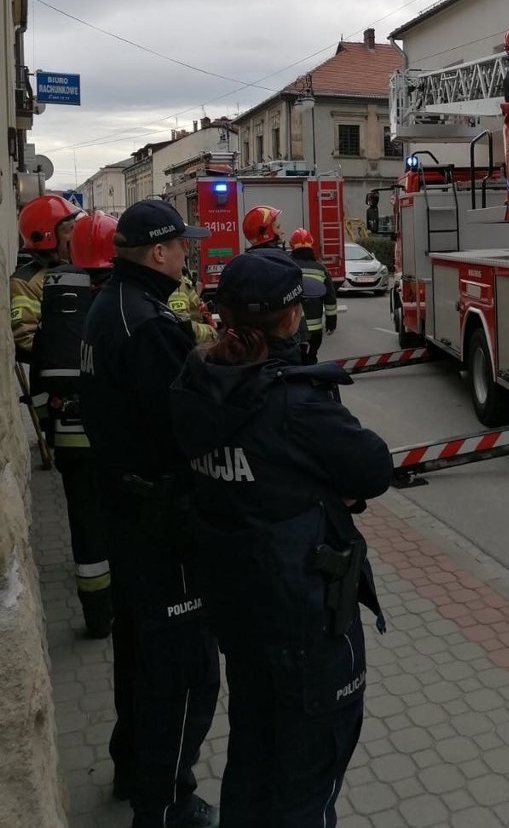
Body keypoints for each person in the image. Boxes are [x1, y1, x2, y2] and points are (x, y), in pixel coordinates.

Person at [169, 248, 392, 827]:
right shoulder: (293, 400)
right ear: (291, 319)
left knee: (252, 759)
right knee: (305, 788)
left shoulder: (195, 380)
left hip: (239, 614)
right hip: (303, 621)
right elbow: (372, 467)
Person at [79, 199, 220, 828]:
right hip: (163, 523)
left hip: (125, 507)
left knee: (137, 653)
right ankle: (164, 802)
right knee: (187, 675)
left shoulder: (107, 305)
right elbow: (184, 430)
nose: (187, 253)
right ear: (158, 253)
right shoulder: (152, 324)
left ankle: (131, 764)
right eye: (181, 246)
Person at [29, 211, 117, 639]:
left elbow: (41, 367)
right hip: (114, 438)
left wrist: (48, 426)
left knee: (85, 527)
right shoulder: (121, 294)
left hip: (69, 434)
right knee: (118, 517)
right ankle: (123, 602)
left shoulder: (55, 291)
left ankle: (98, 618)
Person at [10, 193, 84, 363]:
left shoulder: (83, 270)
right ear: (47, 237)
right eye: (70, 230)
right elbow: (24, 341)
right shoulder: (25, 283)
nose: (76, 235)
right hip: (54, 381)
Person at [288, 227, 337, 363]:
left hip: (292, 329)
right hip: (315, 331)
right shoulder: (321, 269)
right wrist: (331, 323)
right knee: (311, 360)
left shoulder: (287, 267)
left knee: (294, 362)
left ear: (292, 246)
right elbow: (330, 300)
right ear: (311, 246)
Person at [168, 267, 217, 344]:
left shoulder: (183, 279)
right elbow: (182, 327)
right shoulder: (176, 285)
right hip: (191, 347)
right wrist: (211, 332)